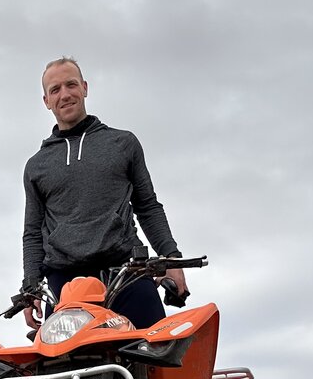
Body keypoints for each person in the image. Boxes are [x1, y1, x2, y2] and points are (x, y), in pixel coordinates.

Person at [22, 56, 188, 330]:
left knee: (160, 348)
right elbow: (32, 232)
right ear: (46, 101)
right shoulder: (36, 166)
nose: (65, 94)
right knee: (60, 357)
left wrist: (170, 257)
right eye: (55, 89)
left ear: (84, 88)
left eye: (71, 85)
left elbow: (147, 207)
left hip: (127, 271)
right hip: (65, 284)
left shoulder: (123, 143)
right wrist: (31, 286)